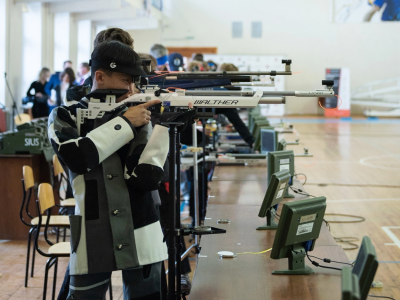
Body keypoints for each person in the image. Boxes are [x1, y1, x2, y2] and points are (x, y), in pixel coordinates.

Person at [49, 40, 195, 300]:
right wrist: (124, 123)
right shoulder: (64, 116)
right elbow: (78, 158)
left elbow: (144, 177)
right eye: (126, 80)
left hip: (143, 227)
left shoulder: (138, 115)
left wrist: (165, 127)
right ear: (100, 76)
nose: (131, 89)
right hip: (92, 231)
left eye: (135, 82)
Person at [216, 63, 255, 147]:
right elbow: (237, 122)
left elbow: (236, 121)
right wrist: (251, 141)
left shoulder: (222, 93)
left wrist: (251, 141)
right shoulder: (222, 94)